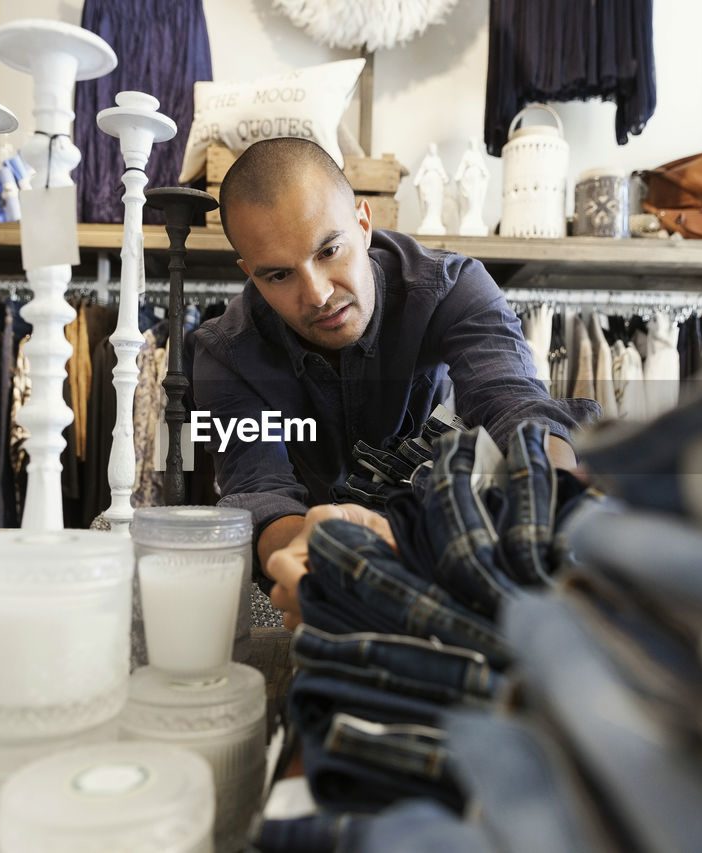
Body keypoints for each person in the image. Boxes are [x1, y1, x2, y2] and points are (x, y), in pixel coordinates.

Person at [189, 137, 600, 628]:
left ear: (364, 223)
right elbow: (259, 490)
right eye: (278, 275)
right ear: (250, 276)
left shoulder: (453, 288)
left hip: (454, 545)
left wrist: (546, 509)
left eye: (329, 250)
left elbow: (514, 404)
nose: (317, 294)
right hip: (329, 569)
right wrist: (311, 552)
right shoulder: (224, 354)